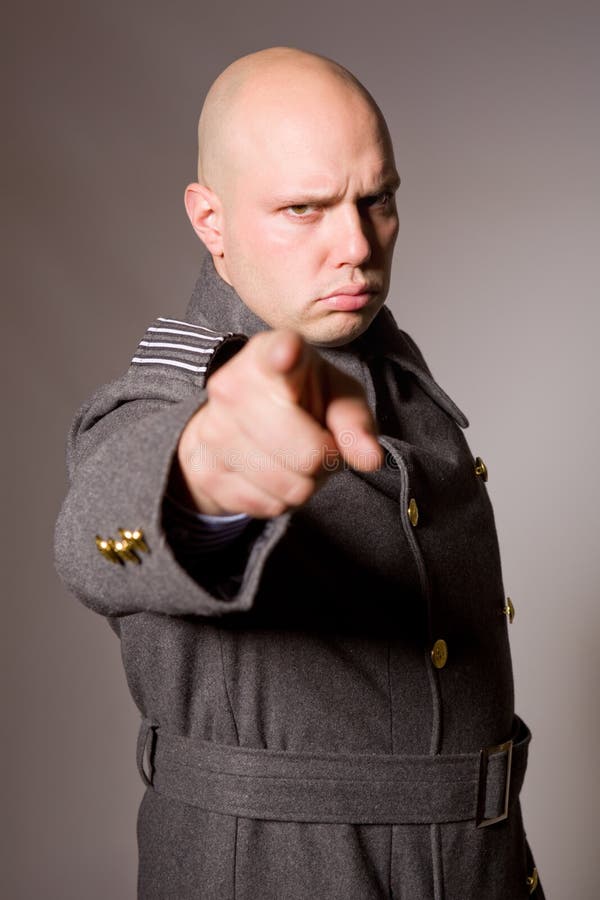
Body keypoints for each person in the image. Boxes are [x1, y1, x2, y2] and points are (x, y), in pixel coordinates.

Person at [54, 46, 544, 899]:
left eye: (376, 200)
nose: (355, 245)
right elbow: (99, 543)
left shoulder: (401, 378)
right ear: (211, 221)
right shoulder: (177, 398)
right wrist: (198, 484)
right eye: (303, 209)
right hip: (280, 874)